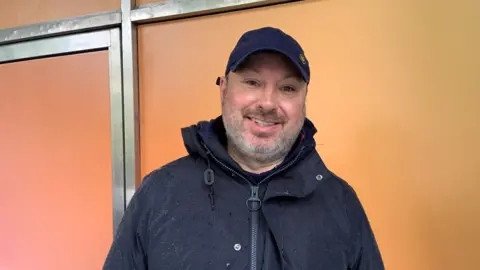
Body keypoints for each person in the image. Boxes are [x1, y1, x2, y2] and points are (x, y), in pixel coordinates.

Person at [103, 26, 384, 270]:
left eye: (287, 88)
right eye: (252, 82)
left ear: (304, 100)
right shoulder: (159, 193)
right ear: (224, 89)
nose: (268, 103)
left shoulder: (341, 203)